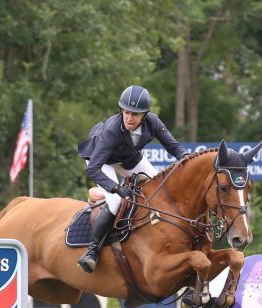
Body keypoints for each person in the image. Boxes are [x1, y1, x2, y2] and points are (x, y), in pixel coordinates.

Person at [76, 85, 188, 273]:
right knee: (115, 201)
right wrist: (116, 188)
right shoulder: (112, 130)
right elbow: (94, 169)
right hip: (102, 161)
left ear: (144, 115)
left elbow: (174, 147)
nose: (129, 118)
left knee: (161, 189)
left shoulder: (153, 122)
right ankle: (92, 252)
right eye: (126, 112)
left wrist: (188, 159)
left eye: (135, 114)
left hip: (128, 157)